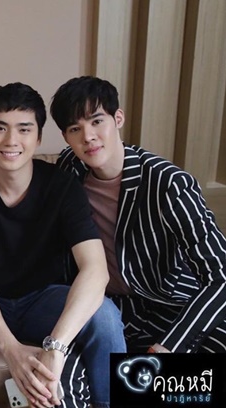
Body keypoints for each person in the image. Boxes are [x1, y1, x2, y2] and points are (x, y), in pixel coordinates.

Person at [0, 82, 125, 408]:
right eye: (0, 128)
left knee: (104, 314)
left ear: (39, 137)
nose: (11, 141)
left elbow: (95, 270)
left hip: (44, 301)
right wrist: (11, 349)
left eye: (23, 129)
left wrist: (55, 348)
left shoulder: (62, 186)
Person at [50, 75, 226, 354]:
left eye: (97, 121)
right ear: (66, 137)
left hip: (170, 303)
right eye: (75, 128)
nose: (88, 136)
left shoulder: (168, 183)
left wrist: (170, 346)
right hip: (108, 305)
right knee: (63, 373)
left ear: (118, 118)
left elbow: (220, 276)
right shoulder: (69, 168)